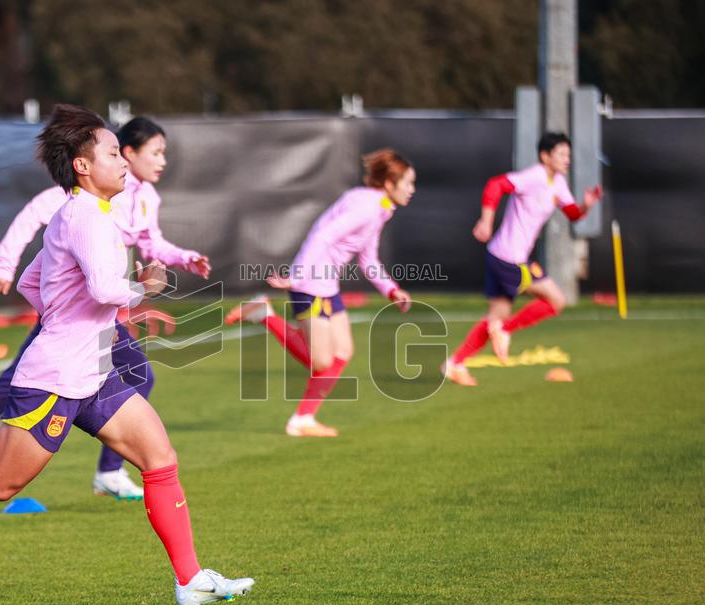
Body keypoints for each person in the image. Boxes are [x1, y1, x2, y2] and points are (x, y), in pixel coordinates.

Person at [0, 104, 253, 605]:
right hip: (56, 379)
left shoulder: (85, 214)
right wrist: (145, 286)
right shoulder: (86, 215)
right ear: (83, 166)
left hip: (92, 370)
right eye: (113, 153)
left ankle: (190, 576)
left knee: (160, 460)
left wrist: (73, 319)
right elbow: (107, 287)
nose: (124, 163)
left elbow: (29, 282)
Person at [0, 116, 210, 501]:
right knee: (14, 424)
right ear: (127, 153)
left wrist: (184, 258)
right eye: (155, 152)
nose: (162, 161)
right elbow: (37, 219)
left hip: (90, 321)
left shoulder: (140, 197)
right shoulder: (86, 200)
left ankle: (110, 473)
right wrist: (5, 265)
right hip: (81, 322)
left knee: (131, 384)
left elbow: (150, 244)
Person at [226, 149, 415, 437]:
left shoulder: (379, 206)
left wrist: (391, 289)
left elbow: (368, 258)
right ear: (390, 183)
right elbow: (324, 235)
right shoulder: (367, 207)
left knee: (342, 353)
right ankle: (264, 315)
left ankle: (303, 419)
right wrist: (298, 276)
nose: (412, 190)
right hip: (310, 285)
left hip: (326, 285)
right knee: (322, 361)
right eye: (408, 184)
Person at [442, 132, 603, 386]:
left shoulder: (558, 183)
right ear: (545, 156)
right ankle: (503, 331)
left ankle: (455, 363)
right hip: (510, 260)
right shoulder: (535, 176)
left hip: (498, 256)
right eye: (561, 154)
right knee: (556, 300)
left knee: (495, 317)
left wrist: (586, 205)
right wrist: (486, 221)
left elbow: (572, 214)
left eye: (568, 154)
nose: (566, 159)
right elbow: (495, 185)